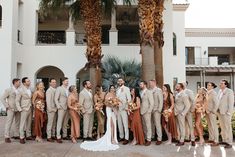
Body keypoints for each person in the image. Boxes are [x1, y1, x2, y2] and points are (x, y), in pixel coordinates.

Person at [80, 85, 119, 151]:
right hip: (107, 110)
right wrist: (110, 105)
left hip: (113, 110)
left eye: (113, 88)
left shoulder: (113, 94)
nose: (112, 89)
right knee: (108, 123)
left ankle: (112, 137)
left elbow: (115, 103)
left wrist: (115, 105)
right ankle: (110, 138)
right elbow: (105, 103)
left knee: (111, 124)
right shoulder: (106, 94)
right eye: (111, 88)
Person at [1, 78, 21, 143]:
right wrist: (7, 106)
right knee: (9, 123)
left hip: (18, 108)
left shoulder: (20, 90)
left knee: (17, 122)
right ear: (15, 82)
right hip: (11, 108)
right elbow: (2, 98)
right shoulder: (8, 90)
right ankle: (7, 136)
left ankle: (16, 134)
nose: (20, 83)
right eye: (19, 82)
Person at [16, 77, 34, 144]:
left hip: (30, 107)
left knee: (29, 123)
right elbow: (17, 101)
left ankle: (28, 135)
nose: (29, 82)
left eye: (29, 81)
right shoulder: (20, 90)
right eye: (28, 81)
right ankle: (21, 137)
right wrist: (20, 109)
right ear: (24, 83)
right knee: (22, 124)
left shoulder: (30, 89)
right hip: (24, 108)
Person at [217, 79, 234, 149]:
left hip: (226, 113)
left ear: (226, 85)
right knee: (222, 127)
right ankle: (224, 140)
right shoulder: (220, 91)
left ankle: (229, 142)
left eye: (222, 83)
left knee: (227, 127)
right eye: (220, 83)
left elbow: (231, 102)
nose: (220, 84)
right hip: (220, 112)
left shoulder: (229, 91)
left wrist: (229, 112)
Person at [116, 78, 131, 145]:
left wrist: (126, 108)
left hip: (124, 109)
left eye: (121, 81)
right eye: (119, 81)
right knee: (119, 123)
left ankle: (126, 138)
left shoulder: (126, 89)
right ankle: (121, 136)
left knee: (125, 124)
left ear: (123, 82)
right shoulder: (117, 90)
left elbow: (129, 99)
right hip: (118, 109)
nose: (120, 82)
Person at [139, 81, 154, 146]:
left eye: (141, 84)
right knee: (144, 125)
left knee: (148, 126)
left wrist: (149, 111)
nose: (140, 85)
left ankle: (149, 139)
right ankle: (145, 138)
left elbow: (152, 103)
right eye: (140, 84)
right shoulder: (140, 92)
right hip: (141, 111)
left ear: (145, 85)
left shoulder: (149, 92)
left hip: (147, 111)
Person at [55, 77, 69, 143]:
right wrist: (58, 106)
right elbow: (56, 99)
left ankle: (65, 135)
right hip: (61, 108)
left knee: (65, 123)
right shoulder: (59, 88)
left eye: (67, 81)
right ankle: (58, 136)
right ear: (63, 82)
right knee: (59, 122)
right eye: (66, 81)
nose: (67, 82)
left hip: (67, 108)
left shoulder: (68, 89)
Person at [149, 79, 163, 145]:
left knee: (157, 124)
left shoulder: (158, 90)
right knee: (151, 124)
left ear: (154, 83)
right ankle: (152, 136)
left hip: (156, 110)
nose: (150, 84)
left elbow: (161, 101)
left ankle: (159, 138)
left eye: (151, 83)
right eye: (149, 83)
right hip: (150, 110)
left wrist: (159, 110)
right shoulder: (149, 90)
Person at [206, 82, 219, 146]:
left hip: (212, 112)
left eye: (209, 85)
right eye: (207, 85)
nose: (207, 86)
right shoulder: (207, 93)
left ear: (212, 87)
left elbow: (216, 103)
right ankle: (211, 138)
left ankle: (216, 141)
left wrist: (213, 111)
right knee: (210, 126)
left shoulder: (213, 93)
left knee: (214, 126)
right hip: (207, 111)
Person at [183, 81, 196, 146]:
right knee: (184, 125)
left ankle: (193, 139)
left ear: (186, 85)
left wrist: (192, 109)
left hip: (188, 111)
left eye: (183, 84)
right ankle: (186, 137)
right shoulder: (179, 92)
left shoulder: (189, 91)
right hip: (182, 112)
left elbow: (193, 101)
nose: (182, 85)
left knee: (190, 125)